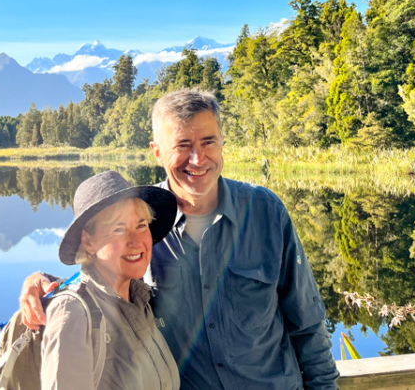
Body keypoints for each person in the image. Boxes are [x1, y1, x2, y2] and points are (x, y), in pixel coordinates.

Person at [21, 88, 339, 390]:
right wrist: (46, 284)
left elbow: (309, 324)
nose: (198, 159)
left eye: (208, 142)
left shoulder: (266, 211)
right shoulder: (142, 227)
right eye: (183, 145)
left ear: (223, 143)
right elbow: (102, 281)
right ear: (157, 152)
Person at [40, 170, 180, 390]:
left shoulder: (140, 300)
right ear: (89, 242)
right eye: (119, 229)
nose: (135, 241)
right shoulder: (72, 315)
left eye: (141, 225)